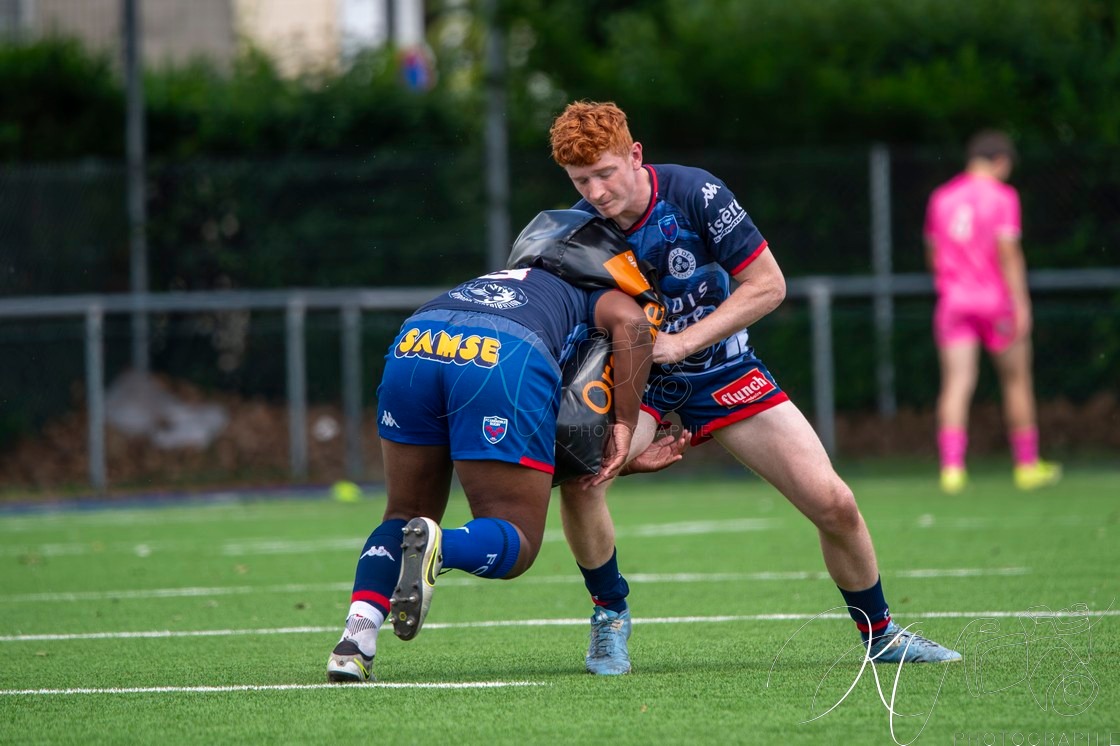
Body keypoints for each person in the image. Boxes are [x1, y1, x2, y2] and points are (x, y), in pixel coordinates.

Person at [547, 100, 963, 675]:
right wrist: (623, 418)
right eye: (580, 180)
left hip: (725, 372)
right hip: (641, 386)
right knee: (582, 480)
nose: (594, 191)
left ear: (635, 155)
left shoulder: (697, 194)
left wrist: (682, 342)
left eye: (604, 173)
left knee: (835, 504)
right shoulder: (581, 233)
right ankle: (610, 615)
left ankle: (882, 634)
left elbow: (768, 286)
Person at [327, 210, 659, 683]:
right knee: (515, 537)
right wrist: (626, 423)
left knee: (403, 514)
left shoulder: (501, 277)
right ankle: (445, 549)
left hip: (417, 337)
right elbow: (634, 325)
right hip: (501, 352)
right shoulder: (592, 289)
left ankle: (355, 640)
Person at [924, 129, 1061, 495]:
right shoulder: (1003, 197)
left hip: (953, 301)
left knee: (956, 383)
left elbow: (934, 253)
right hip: (994, 301)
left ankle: (952, 469)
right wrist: (1021, 302)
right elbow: (1009, 253)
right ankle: (1027, 465)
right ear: (1001, 161)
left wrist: (951, 283)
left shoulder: (942, 197)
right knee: (1016, 380)